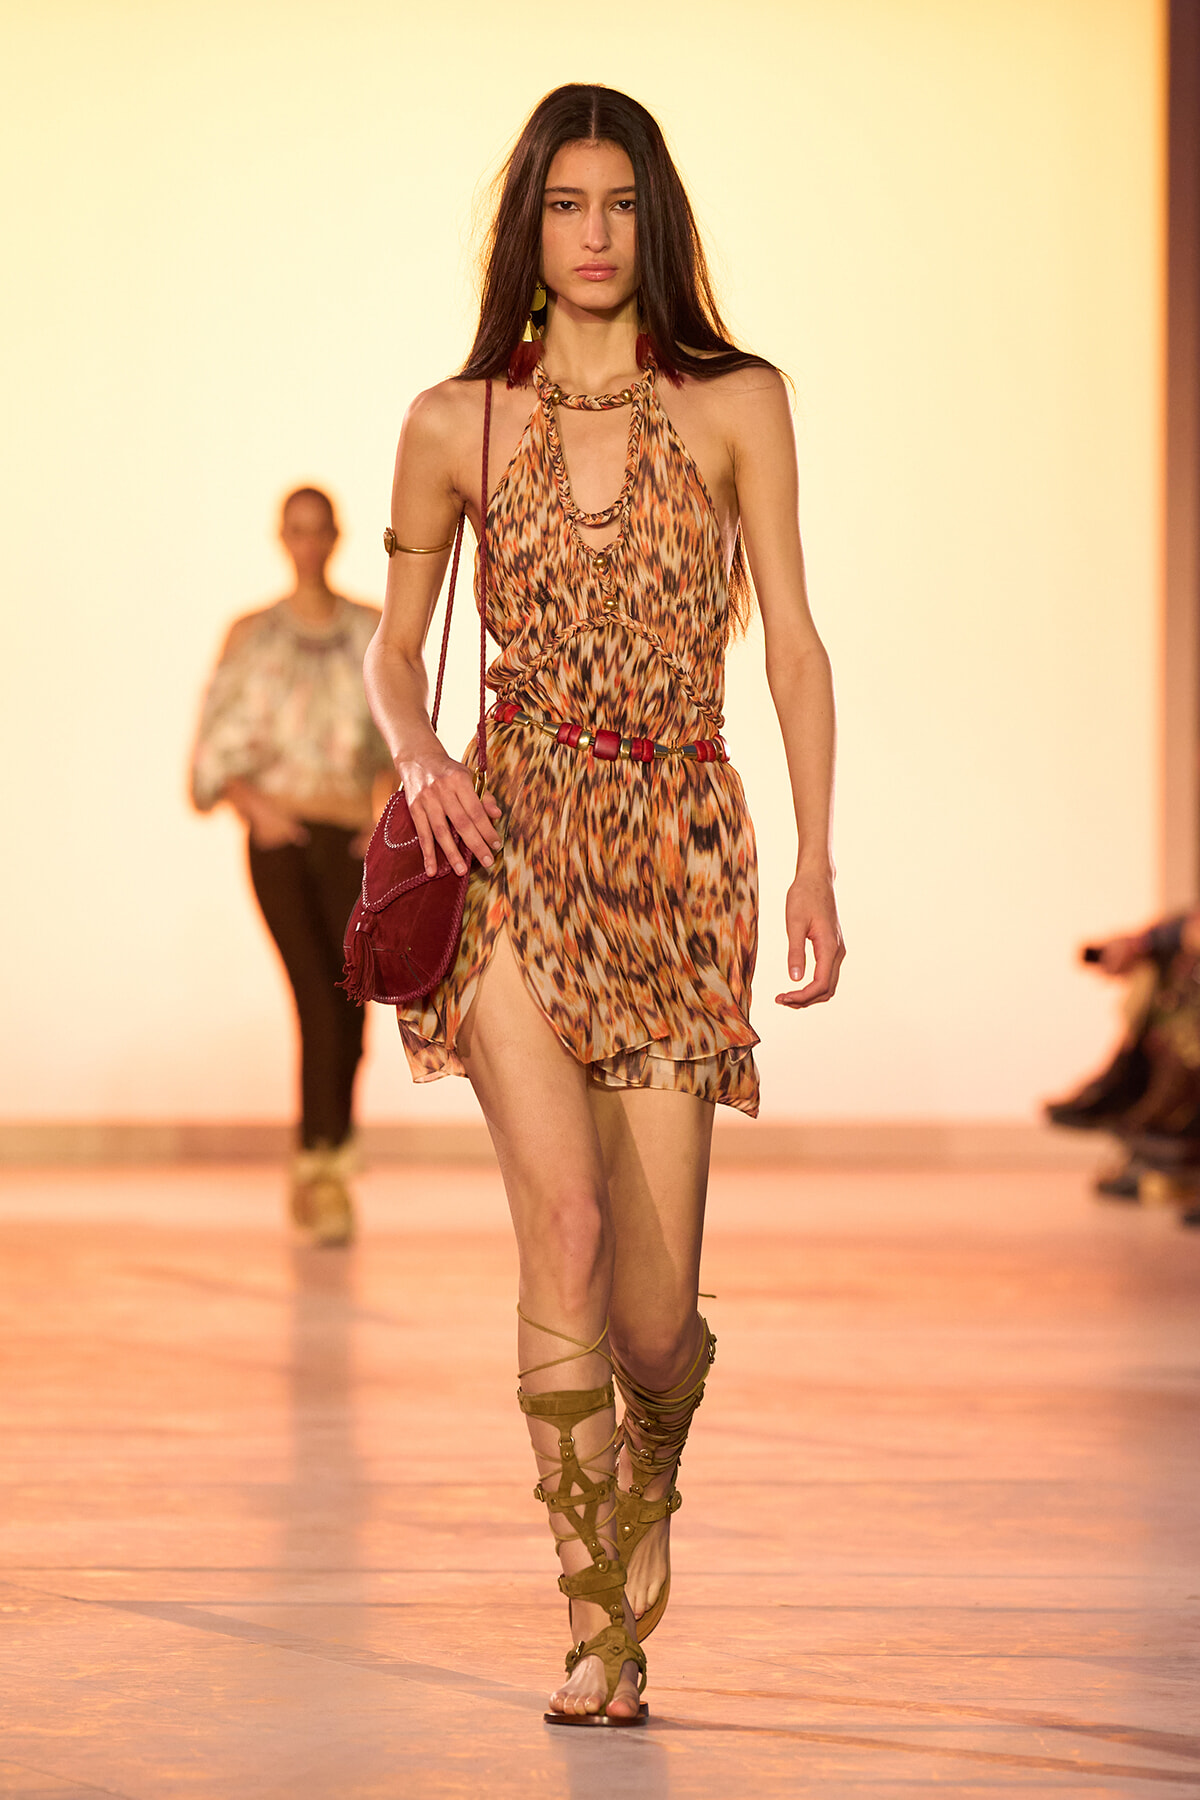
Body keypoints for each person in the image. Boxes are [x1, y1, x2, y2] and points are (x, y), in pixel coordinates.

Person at [363, 84, 844, 1725]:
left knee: (652, 1321)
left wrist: (823, 859)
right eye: (564, 203)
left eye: (618, 204)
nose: (589, 233)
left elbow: (789, 638)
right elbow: (390, 641)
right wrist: (423, 749)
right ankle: (591, 1615)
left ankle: (657, 1445)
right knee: (559, 1233)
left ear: (656, 221)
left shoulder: (735, 405)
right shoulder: (455, 422)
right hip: (511, 843)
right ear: (528, 223)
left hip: (677, 850)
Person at [191, 487, 395, 1246]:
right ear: (283, 536)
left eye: (320, 530)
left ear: (336, 536)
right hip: (280, 840)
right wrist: (253, 804)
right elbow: (215, 744)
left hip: (348, 840)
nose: (308, 542)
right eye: (296, 530)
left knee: (350, 1004)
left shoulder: (367, 631)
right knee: (317, 996)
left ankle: (326, 1161)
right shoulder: (254, 635)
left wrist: (379, 812)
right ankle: (321, 1170)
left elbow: (392, 740)